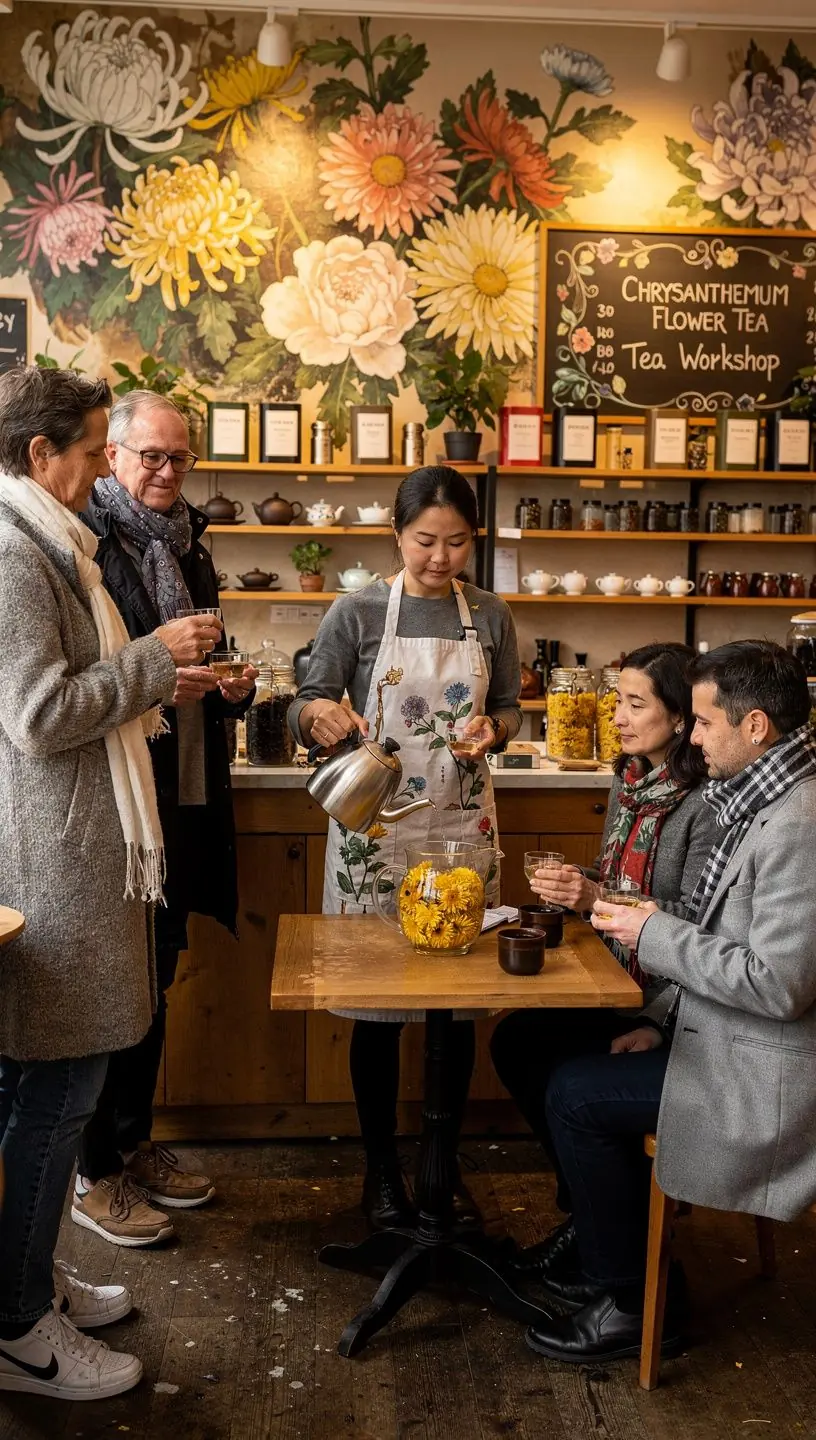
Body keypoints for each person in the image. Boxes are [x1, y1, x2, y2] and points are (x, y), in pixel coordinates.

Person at [0, 365, 221, 1399]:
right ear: (40, 455)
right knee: (53, 1096)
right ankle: (17, 1326)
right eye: (93, 448)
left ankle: (30, 1282)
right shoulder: (14, 555)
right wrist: (153, 660)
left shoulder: (55, 542)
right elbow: (40, 715)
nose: (104, 467)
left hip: (79, 853)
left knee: (58, 1085)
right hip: (55, 862)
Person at [523, 640, 816, 1364]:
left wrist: (651, 931)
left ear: (755, 728)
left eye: (705, 721)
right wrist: (663, 1024)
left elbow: (778, 984)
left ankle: (633, 1299)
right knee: (552, 1058)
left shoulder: (798, 826)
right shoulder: (765, 796)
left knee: (575, 1094)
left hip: (766, 1076)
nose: (691, 733)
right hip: (721, 1033)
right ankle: (614, 1250)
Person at [289, 465, 522, 1228]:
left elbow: (513, 707)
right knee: (380, 1014)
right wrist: (319, 713)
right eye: (425, 540)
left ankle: (439, 1163)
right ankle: (381, 1169)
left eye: (457, 542)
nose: (440, 558)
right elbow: (307, 698)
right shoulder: (356, 612)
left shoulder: (489, 614)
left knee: (453, 1011)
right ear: (397, 535)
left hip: (459, 830)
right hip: (376, 834)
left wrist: (497, 730)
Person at [74, 390, 256, 1246]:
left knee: (156, 979)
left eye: (179, 457)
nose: (165, 471)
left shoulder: (191, 543)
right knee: (109, 988)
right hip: (115, 801)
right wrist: (167, 671)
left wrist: (229, 689)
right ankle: (89, 1171)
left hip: (179, 795)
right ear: (110, 455)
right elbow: (87, 684)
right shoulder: (85, 545)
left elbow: (196, 663)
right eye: (149, 455)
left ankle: (132, 1141)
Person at [491, 643, 717, 1294]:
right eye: (615, 699)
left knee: (568, 1080)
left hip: (674, 1004)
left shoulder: (702, 803)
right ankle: (593, 1215)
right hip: (620, 982)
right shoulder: (629, 776)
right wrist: (581, 883)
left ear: (681, 718)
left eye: (635, 703)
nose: (615, 715)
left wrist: (596, 898)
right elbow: (621, 883)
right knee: (517, 1041)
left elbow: (698, 924)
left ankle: (609, 1244)